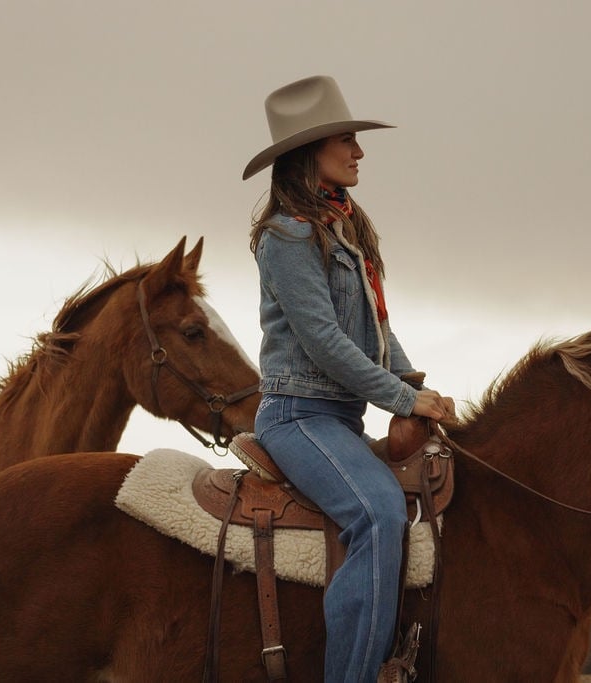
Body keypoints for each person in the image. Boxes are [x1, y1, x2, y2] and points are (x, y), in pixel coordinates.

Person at [243, 74, 456, 683]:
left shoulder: (346, 229)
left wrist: (419, 388)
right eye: (346, 140)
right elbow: (324, 342)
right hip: (297, 416)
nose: (359, 152)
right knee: (379, 512)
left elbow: (375, 334)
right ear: (311, 152)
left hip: (339, 418)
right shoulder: (287, 235)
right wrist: (400, 395)